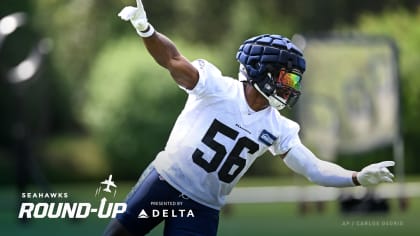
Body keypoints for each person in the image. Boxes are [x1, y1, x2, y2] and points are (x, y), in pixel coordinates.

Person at [104, 1, 396, 235]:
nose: (291, 87)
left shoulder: (277, 126)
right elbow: (173, 59)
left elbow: (313, 168)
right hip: (164, 183)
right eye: (287, 79)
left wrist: (356, 177)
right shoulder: (217, 89)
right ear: (262, 71)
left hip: (204, 206)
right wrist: (146, 29)